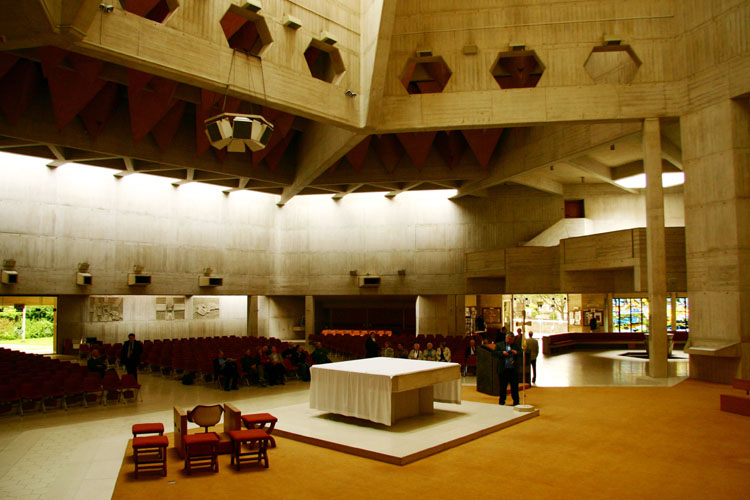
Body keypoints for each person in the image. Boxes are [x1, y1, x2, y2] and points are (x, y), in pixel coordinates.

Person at [494, 332, 520, 406]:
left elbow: (521, 353)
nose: (510, 341)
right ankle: (502, 401)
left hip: (513, 370)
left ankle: (516, 401)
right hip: (503, 369)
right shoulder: (500, 345)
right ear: (506, 338)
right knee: (503, 387)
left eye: (511, 339)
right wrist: (502, 353)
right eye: (508, 339)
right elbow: (494, 353)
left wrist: (516, 353)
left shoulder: (515, 345)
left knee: (514, 387)